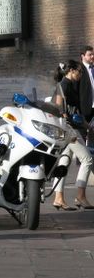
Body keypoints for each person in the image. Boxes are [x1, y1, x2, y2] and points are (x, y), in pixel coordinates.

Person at [52, 60, 94, 210]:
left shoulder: (70, 84)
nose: (81, 74)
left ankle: (58, 198)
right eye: (79, 71)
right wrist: (66, 126)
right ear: (71, 70)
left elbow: (74, 110)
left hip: (70, 127)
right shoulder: (64, 84)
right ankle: (80, 196)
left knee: (65, 160)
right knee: (87, 159)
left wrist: (87, 126)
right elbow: (58, 107)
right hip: (69, 129)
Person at [78, 45, 94, 144]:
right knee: (82, 133)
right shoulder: (79, 69)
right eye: (90, 54)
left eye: (93, 54)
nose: (92, 56)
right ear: (83, 56)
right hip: (85, 107)